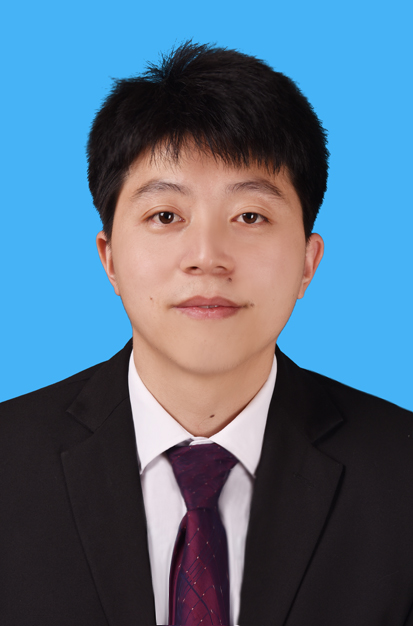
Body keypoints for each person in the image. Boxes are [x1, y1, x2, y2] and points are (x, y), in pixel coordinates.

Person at [0, 41, 412, 626]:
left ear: (307, 262)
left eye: (250, 216)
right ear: (110, 258)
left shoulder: (401, 474)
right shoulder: (9, 462)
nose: (207, 257)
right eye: (166, 216)